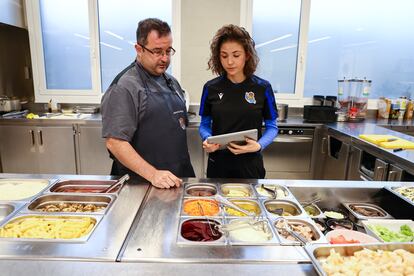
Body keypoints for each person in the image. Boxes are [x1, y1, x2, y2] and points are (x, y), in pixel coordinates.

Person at [101, 18, 195, 189]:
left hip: (176, 179)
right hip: (141, 185)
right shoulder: (124, 87)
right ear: (139, 49)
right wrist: (153, 174)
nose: (164, 58)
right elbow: (115, 142)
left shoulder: (171, 82)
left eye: (168, 51)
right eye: (157, 51)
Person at [199, 24, 278, 179]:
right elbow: (204, 124)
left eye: (236, 55)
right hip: (218, 165)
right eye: (224, 55)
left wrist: (259, 145)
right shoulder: (210, 88)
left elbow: (272, 127)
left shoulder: (262, 87)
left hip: (250, 165)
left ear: (247, 55)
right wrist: (207, 139)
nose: (229, 62)